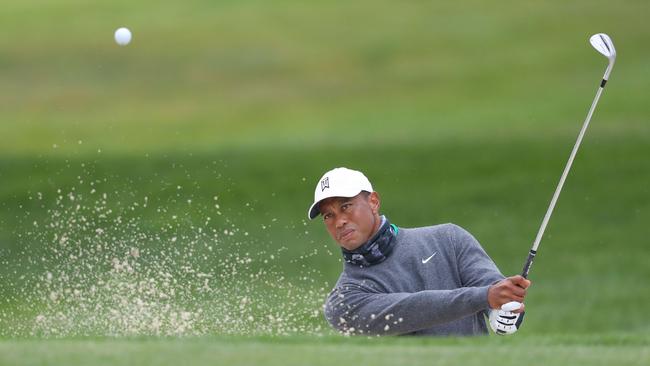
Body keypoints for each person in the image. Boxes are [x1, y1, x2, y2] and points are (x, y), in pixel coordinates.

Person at [307, 167, 531, 336]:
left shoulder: (449, 239)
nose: (339, 222)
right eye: (329, 215)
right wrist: (485, 297)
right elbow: (412, 310)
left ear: (373, 202)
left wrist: (504, 310)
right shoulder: (344, 300)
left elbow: (494, 287)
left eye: (346, 206)